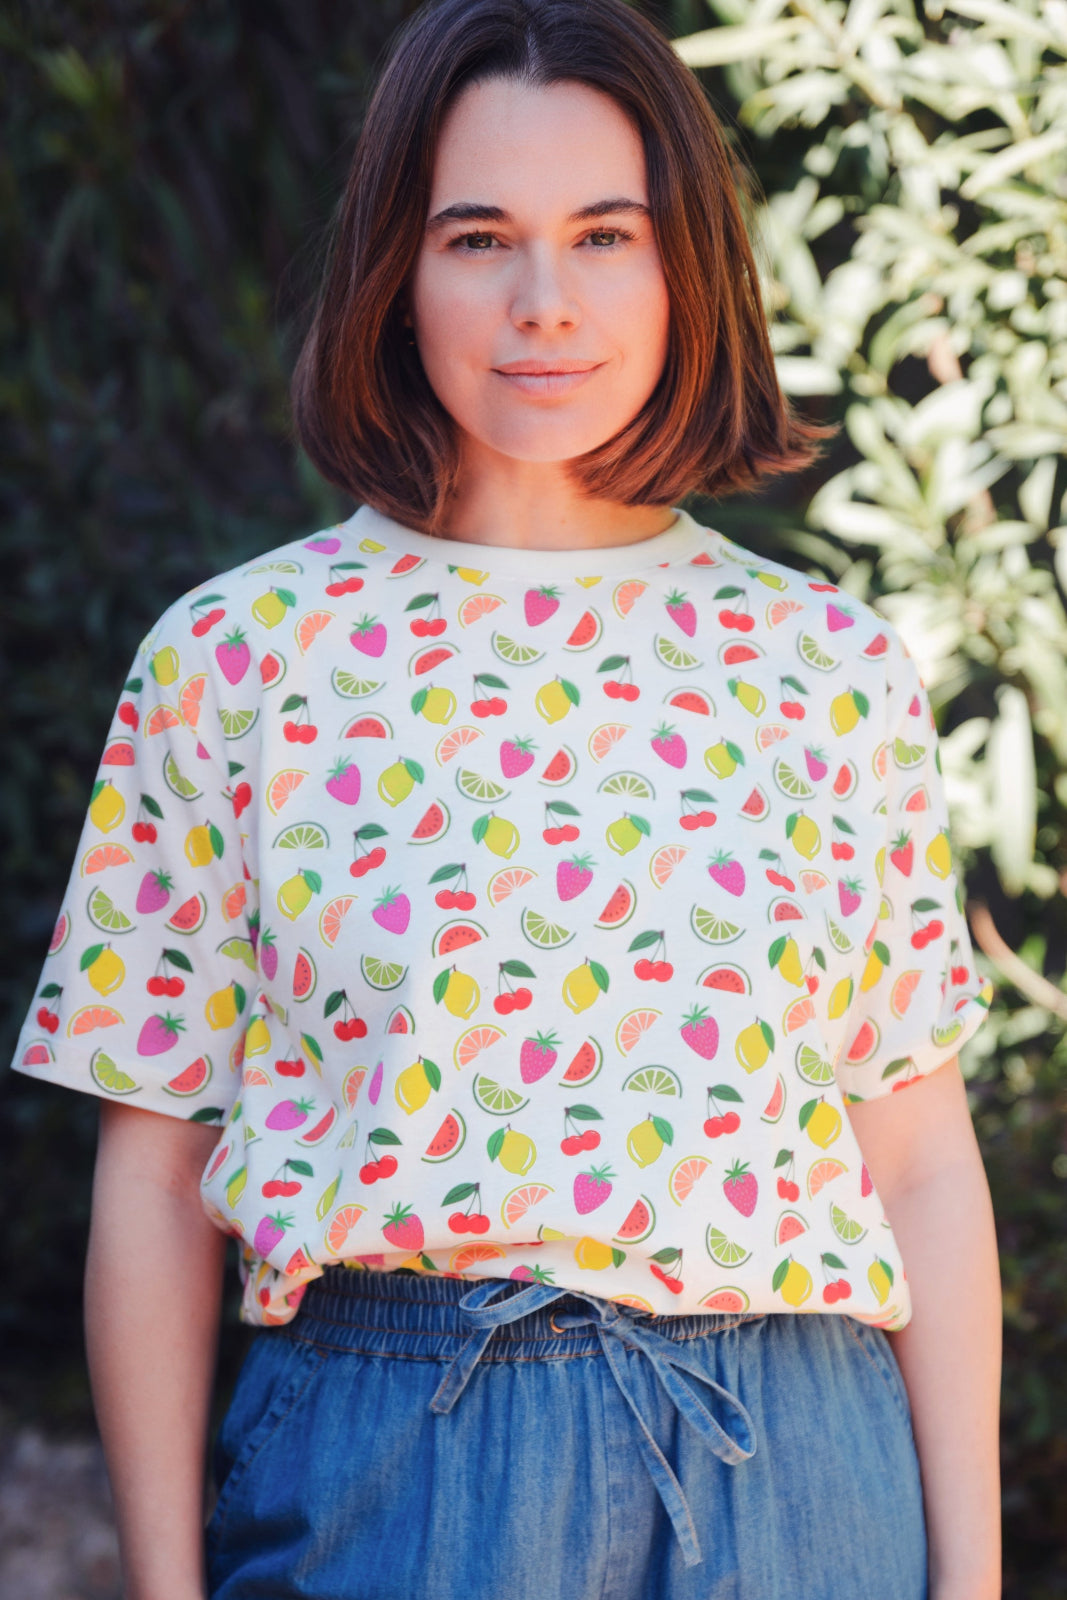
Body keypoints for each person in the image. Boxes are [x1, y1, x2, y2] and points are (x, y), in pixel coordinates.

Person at [11, 1, 1003, 1597]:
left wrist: (975, 1580)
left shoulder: (827, 664)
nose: (545, 302)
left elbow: (924, 1160)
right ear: (396, 273)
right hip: (400, 1472)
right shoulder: (237, 659)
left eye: (606, 234)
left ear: (686, 267)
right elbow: (152, 1174)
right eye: (478, 237)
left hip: (802, 1476)